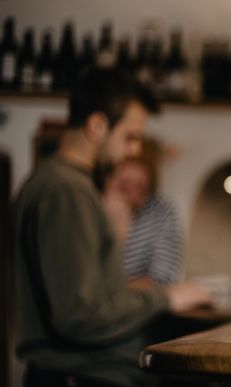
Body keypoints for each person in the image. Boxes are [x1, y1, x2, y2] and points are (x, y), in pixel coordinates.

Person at [12, 68, 211, 387]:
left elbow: (89, 292)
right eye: (130, 137)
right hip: (83, 376)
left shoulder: (67, 185)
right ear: (97, 125)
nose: (134, 150)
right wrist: (166, 299)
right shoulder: (66, 191)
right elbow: (80, 316)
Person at [106, 151, 183, 288]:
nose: (128, 192)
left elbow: (163, 277)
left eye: (138, 187)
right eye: (123, 184)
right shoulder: (92, 212)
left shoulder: (160, 212)